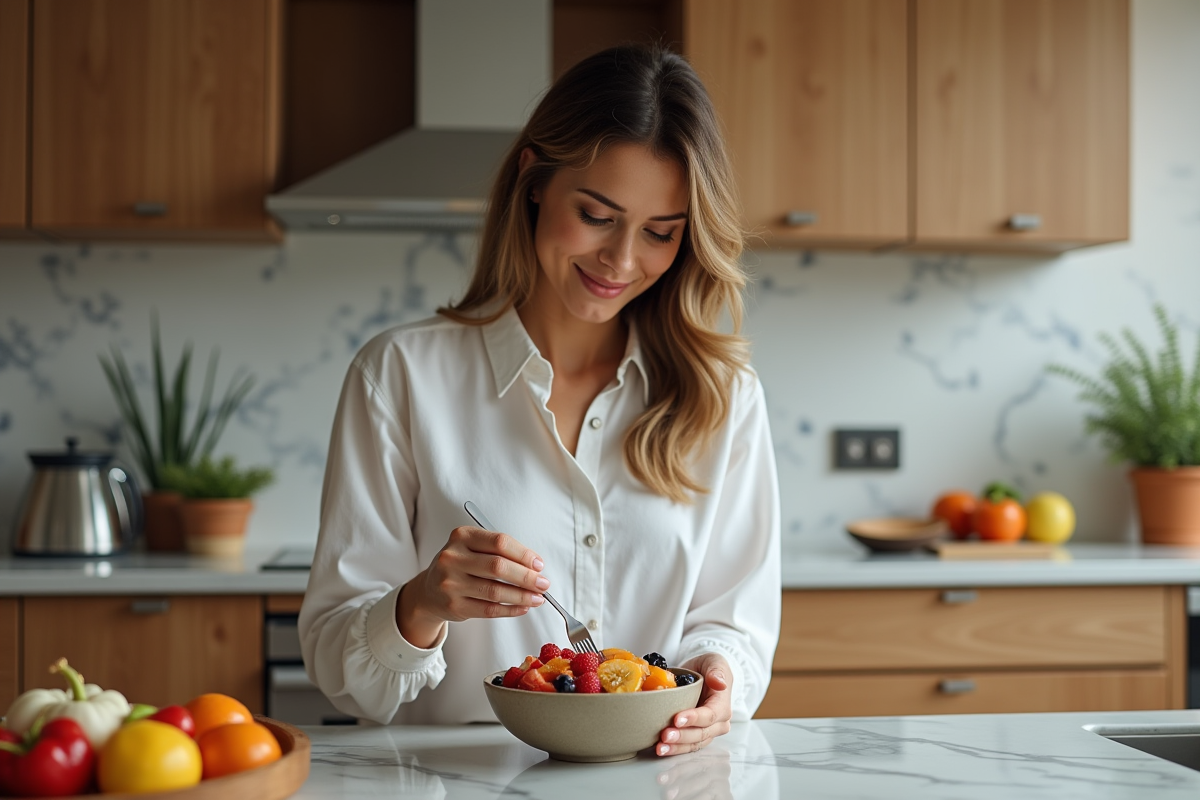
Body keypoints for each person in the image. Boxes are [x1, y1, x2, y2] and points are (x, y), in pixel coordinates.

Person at [299, 43, 781, 757]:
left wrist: (718, 676)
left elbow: (734, 625)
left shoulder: (723, 396)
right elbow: (344, 677)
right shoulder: (399, 374)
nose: (621, 261)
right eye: (595, 214)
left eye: (660, 233)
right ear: (533, 181)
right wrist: (422, 603)